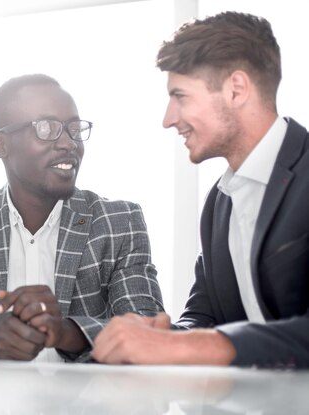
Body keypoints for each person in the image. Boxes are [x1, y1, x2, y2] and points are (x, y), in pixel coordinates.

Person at [92, 12, 309, 368]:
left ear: (236, 89)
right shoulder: (218, 203)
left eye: (180, 96)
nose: (168, 118)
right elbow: (204, 317)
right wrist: (165, 336)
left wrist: (190, 347)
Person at [0, 74, 163, 362]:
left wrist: (66, 332)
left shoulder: (119, 222)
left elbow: (149, 332)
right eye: (47, 128)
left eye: (74, 129)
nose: (69, 143)